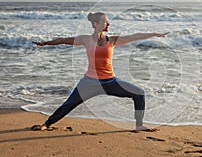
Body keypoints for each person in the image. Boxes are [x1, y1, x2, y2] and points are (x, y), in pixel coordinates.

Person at [32, 12, 169, 132]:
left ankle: (139, 125)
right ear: (96, 23)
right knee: (69, 104)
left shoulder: (113, 40)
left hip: (110, 82)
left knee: (139, 93)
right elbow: (62, 40)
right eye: (105, 21)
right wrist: (46, 43)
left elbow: (135, 36)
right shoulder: (85, 39)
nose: (108, 23)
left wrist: (155, 34)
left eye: (108, 21)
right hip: (89, 83)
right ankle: (46, 124)